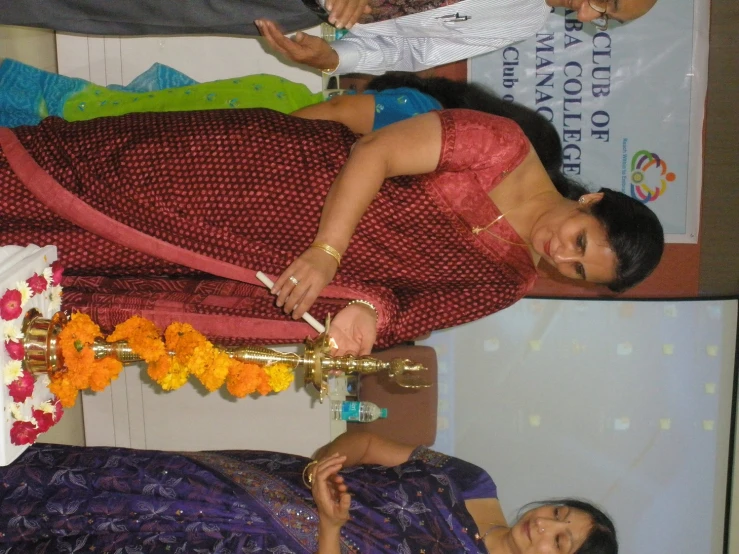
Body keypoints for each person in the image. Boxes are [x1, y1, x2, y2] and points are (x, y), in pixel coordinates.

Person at [0, 106, 664, 356]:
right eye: (579, 241)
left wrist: (368, 313)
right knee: (90, 172)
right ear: (593, 199)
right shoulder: (501, 145)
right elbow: (373, 152)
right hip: (249, 168)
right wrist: (326, 251)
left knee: (96, 255)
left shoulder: (509, 279)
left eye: (577, 271)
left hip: (252, 259)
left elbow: (408, 314)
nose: (559, 256)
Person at [0, 430, 619, 553]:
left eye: (562, 543)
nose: (546, 524)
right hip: (264, 479)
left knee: (124, 531)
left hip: (260, 545)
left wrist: (327, 524)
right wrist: (323, 465)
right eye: (561, 513)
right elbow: (372, 444)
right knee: (128, 476)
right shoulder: (474, 480)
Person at [0, 0, 660, 74]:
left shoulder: (522, 20)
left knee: (124, 9)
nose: (589, 11)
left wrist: (330, 54)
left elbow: (410, 48)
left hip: (288, 8)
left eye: (603, 17)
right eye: (606, 0)